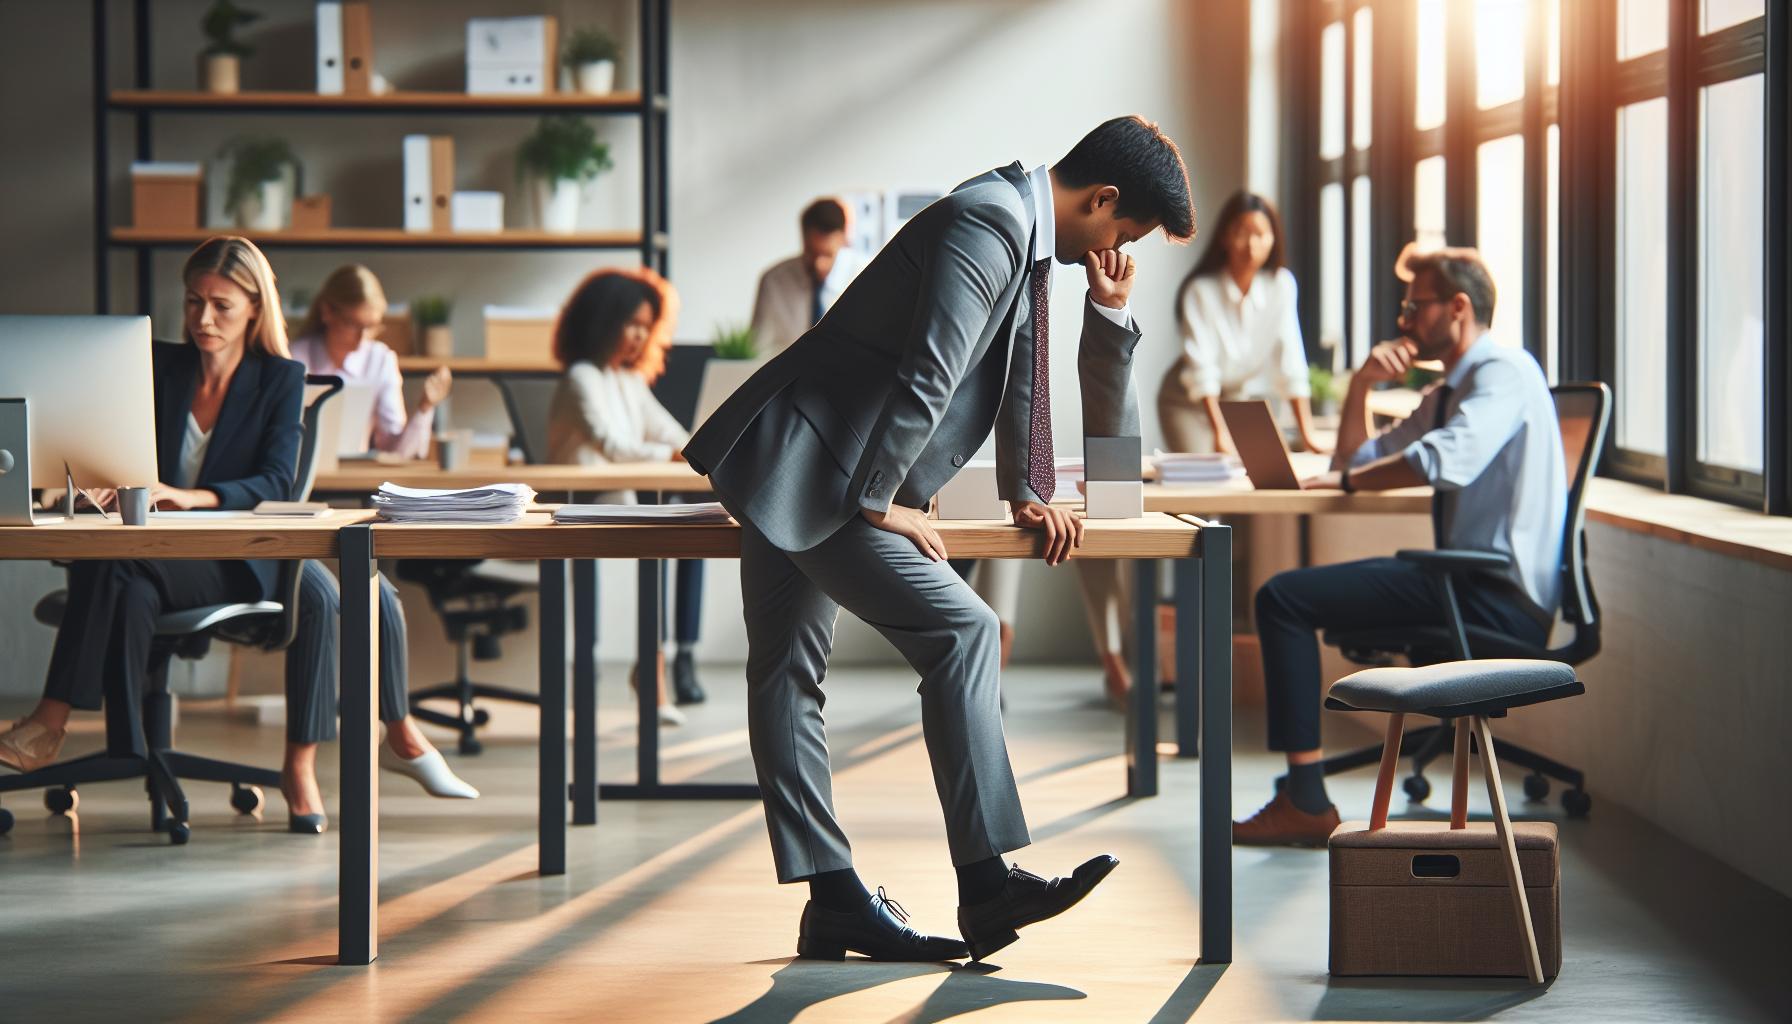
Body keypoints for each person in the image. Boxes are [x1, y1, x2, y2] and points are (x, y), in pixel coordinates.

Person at [685, 115, 1196, 962]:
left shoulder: (1023, 239)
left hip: (803, 457)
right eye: (1127, 231)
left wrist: (1031, 489)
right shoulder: (988, 221)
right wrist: (883, 501)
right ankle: (989, 885)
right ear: (1103, 198)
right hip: (822, 468)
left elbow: (1018, 380)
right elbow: (932, 366)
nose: (1119, 248)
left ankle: (835, 901)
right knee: (962, 630)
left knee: (785, 672)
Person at [0, 240, 475, 832]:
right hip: (150, 552)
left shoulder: (280, 378)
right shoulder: (154, 367)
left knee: (330, 591)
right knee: (123, 563)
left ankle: (54, 720)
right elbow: (107, 446)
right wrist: (99, 482)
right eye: (193, 302)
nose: (203, 319)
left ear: (255, 306)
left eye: (221, 306)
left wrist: (189, 496)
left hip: (229, 558)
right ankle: (125, 744)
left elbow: (276, 479)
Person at [1234, 243, 1566, 847]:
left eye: (1417, 306)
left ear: (1459, 308)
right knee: (1288, 596)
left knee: (1284, 598)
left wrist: (1351, 479)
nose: (1405, 321)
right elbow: (1359, 457)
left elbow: (1444, 461)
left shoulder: (1502, 372)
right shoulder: (1448, 392)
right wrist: (1362, 383)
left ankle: (1304, 801)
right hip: (1465, 581)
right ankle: (1302, 796)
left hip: (1496, 596)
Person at [545, 267, 703, 719]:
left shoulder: (627, 380)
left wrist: (694, 446)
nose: (639, 335)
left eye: (645, 326)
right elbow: (613, 447)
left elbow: (669, 432)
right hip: (578, 508)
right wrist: (670, 454)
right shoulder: (581, 377)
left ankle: (652, 670)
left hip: (618, 499)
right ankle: (649, 675)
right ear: (602, 321)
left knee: (687, 527)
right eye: (630, 323)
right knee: (660, 537)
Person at [1156, 190, 1326, 455]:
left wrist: (1308, 434)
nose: (1251, 244)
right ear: (1224, 236)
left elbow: (1291, 361)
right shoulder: (1201, 290)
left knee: (1260, 473)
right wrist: (1220, 432)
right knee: (1207, 476)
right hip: (1189, 401)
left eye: (1260, 234)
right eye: (1241, 232)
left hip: (1236, 403)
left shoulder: (1281, 285)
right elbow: (1203, 370)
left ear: (1273, 238)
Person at [289, 263, 452, 460]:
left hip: (352, 477)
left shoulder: (380, 360)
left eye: (371, 326)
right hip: (296, 471)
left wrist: (424, 407)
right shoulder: (295, 356)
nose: (362, 338)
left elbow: (395, 451)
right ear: (327, 312)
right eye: (353, 324)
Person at [749, 197, 866, 356]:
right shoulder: (774, 281)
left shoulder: (863, 276)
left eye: (826, 255)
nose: (819, 264)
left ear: (842, 239)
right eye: (812, 253)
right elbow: (757, 348)